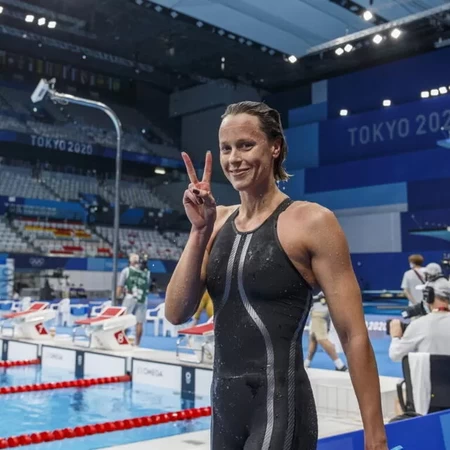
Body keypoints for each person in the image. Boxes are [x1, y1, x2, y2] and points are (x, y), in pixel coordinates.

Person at [165, 101, 387, 450]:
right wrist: (198, 231)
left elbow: (352, 334)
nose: (234, 159)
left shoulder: (311, 222)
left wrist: (375, 436)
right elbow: (176, 312)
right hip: (225, 411)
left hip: (282, 409)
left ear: (275, 147)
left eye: (245, 145)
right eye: (226, 148)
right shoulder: (214, 221)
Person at [389, 277, 450, 362]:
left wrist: (395, 336)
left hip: (428, 370)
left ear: (429, 297)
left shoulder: (418, 325)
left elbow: (395, 355)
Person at [304, 292, 347, 371]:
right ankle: (306, 363)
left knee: (321, 339)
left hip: (318, 311)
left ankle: (340, 365)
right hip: (323, 308)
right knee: (313, 337)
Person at [116, 253, 150, 346]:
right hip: (142, 298)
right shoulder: (146, 273)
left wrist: (117, 297)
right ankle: (137, 344)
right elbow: (147, 285)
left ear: (130, 261)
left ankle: (121, 342)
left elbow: (120, 286)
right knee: (139, 323)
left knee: (124, 320)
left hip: (130, 297)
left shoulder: (126, 271)